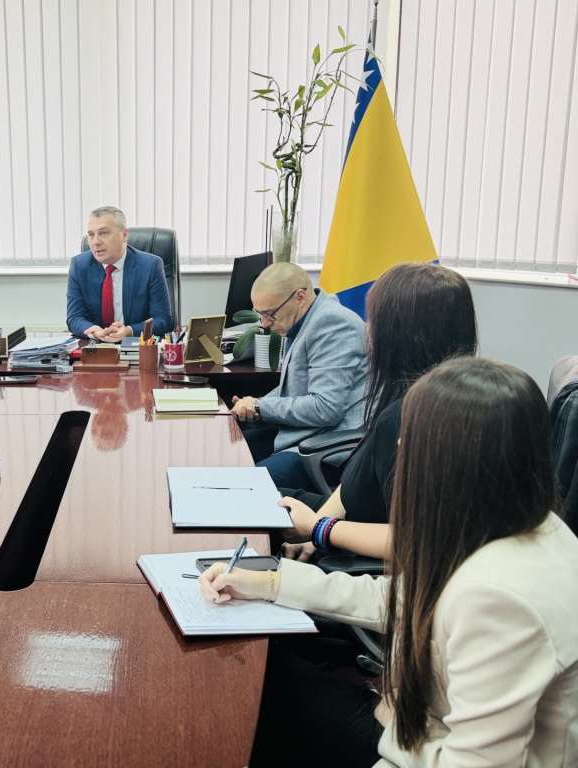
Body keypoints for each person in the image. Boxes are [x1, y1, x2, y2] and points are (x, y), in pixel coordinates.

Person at [201, 357, 578, 767]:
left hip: (413, 743)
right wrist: (269, 583)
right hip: (418, 724)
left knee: (264, 698)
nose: (399, 449)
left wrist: (389, 724)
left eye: (409, 440)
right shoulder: (518, 523)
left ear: (451, 464)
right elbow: (404, 598)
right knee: (271, 671)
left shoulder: (501, 599)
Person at [276, 263, 478, 561]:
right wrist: (313, 536)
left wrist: (319, 529)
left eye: (372, 320)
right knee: (259, 492)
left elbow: (413, 541)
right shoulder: (418, 393)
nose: (366, 329)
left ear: (401, 334)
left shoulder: (410, 418)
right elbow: (355, 482)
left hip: (364, 555)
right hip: (351, 519)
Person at [229, 262, 367, 479]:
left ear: (300, 297)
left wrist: (260, 406)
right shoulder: (305, 319)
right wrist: (255, 404)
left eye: (270, 314)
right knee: (228, 453)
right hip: (303, 432)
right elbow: (295, 387)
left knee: (248, 483)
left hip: (328, 446)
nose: (264, 324)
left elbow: (325, 408)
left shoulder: (332, 324)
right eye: (260, 314)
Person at [66, 206, 172, 341]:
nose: (95, 242)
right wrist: (94, 330)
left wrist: (129, 331)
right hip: (95, 347)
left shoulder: (150, 266)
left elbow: (162, 320)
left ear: (124, 235)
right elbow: (74, 318)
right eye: (91, 235)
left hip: (136, 345)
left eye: (103, 233)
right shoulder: (79, 266)